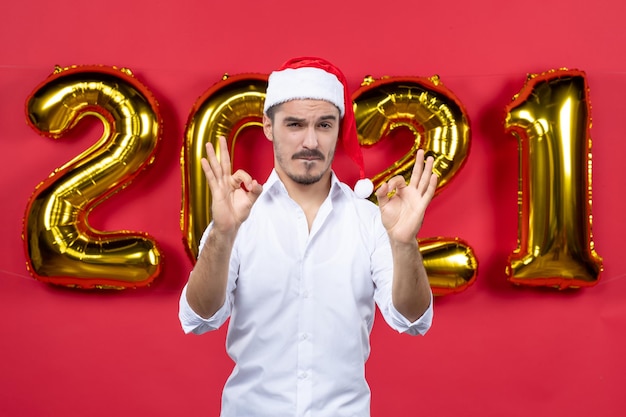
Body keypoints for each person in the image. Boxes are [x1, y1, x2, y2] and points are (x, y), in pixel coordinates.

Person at [179, 56, 438, 417]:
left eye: (324, 125)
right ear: (268, 127)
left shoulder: (370, 219)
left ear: (338, 130)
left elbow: (412, 319)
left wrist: (405, 243)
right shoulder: (239, 215)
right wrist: (223, 233)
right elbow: (199, 317)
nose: (311, 141)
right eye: (295, 124)